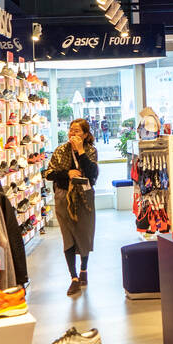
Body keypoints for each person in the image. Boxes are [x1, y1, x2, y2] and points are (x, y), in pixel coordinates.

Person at [45, 118, 100, 296]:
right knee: (68, 236)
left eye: (77, 131)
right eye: (71, 130)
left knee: (84, 234)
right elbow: (49, 173)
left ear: (85, 135)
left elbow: (92, 174)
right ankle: (73, 278)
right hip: (63, 198)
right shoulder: (61, 150)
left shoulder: (91, 151)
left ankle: (84, 269)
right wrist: (67, 173)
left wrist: (81, 152)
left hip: (85, 198)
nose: (72, 134)